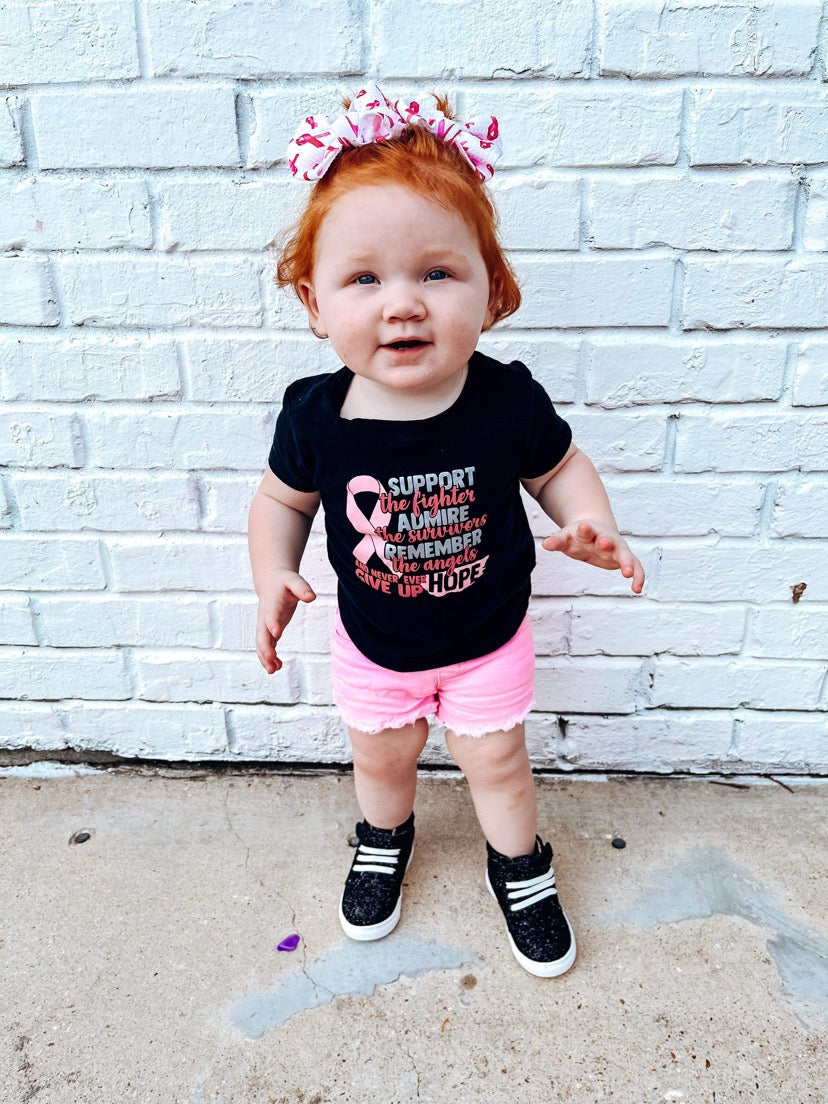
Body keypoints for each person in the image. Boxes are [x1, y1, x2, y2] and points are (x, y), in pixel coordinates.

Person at [248, 84, 645, 978]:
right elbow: (281, 502)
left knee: (499, 765)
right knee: (382, 766)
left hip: (487, 642)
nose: (403, 303)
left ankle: (521, 865)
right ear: (314, 302)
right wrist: (271, 572)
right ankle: (384, 840)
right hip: (375, 643)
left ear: (491, 290)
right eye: (365, 278)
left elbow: (557, 468)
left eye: (436, 272)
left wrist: (591, 519)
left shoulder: (504, 398)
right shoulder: (316, 417)